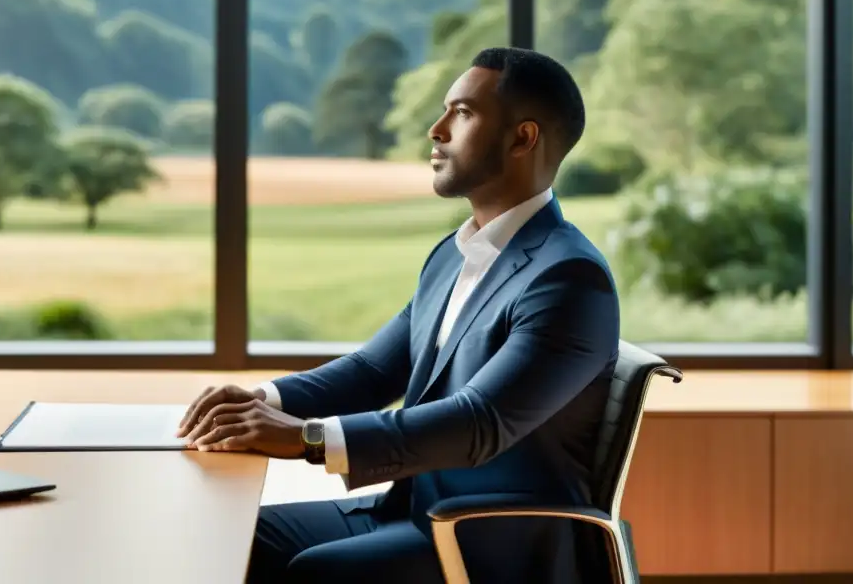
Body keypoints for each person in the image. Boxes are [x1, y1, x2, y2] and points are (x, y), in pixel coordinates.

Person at [177, 47, 620, 583]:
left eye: (462, 113)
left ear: (523, 138)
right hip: (409, 513)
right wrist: (258, 402)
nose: (435, 130)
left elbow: (479, 423)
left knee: (314, 573)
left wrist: (307, 438)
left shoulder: (569, 278)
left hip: (492, 543)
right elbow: (372, 371)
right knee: (229, 538)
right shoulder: (454, 255)